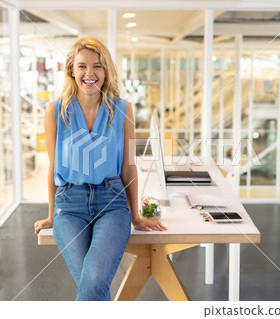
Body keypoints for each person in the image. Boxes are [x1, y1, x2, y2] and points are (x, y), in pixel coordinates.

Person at [34, 36, 167, 301]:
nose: (89, 73)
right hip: (69, 205)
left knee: (93, 281)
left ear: (106, 71)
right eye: (82, 66)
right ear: (71, 70)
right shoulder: (55, 111)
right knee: (93, 285)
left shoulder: (123, 110)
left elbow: (129, 168)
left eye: (97, 66)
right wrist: (51, 215)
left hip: (112, 202)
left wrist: (135, 217)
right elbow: (53, 168)